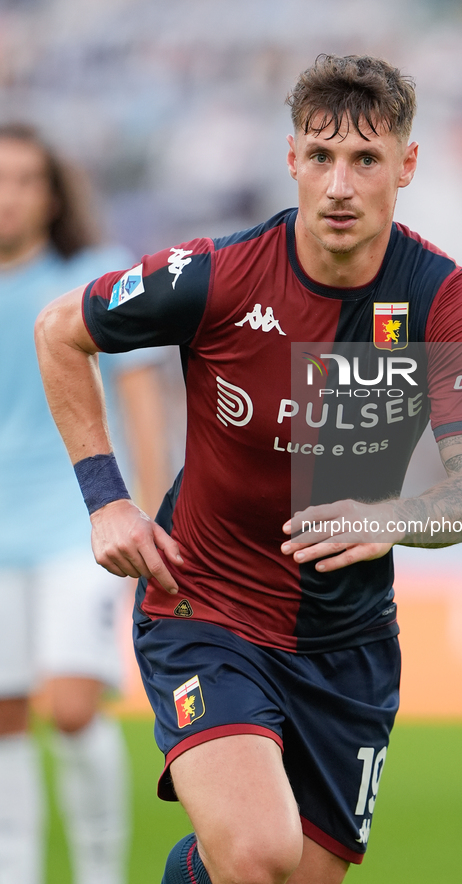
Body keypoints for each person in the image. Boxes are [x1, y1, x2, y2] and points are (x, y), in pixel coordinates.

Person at [35, 55, 462, 884]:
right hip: (203, 606)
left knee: (287, 875)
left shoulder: (443, 304)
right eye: (320, 157)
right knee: (257, 853)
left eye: (365, 160)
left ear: (406, 164)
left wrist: (390, 518)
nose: (338, 185)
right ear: (290, 158)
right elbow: (59, 330)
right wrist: (106, 500)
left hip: (347, 644)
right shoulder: (216, 276)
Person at [0, 124, 172, 884]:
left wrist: (155, 510)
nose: (7, 196)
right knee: (4, 719)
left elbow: (141, 397)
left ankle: (99, 876)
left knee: (70, 707)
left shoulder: (93, 279)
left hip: (80, 525)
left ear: (51, 193)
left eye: (24, 179)